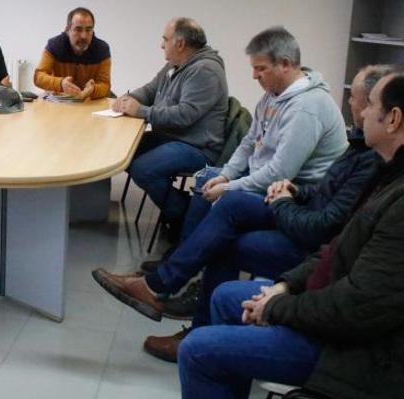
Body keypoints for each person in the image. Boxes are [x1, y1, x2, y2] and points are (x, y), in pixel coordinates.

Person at [178, 63, 404, 399]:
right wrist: (286, 285)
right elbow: (337, 249)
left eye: (370, 103)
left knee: (198, 350)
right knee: (227, 295)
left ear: (394, 119)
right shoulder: (394, 171)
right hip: (335, 314)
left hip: (355, 355)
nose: (360, 111)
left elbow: (357, 308)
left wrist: (275, 307)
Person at [114, 65, 385, 362]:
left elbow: (322, 226)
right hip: (299, 212)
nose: (350, 102)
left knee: (226, 220)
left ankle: (175, 300)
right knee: (228, 208)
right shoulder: (359, 144)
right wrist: (294, 192)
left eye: (362, 100)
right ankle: (173, 296)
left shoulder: (346, 140)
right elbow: (322, 191)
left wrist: (282, 200)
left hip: (312, 244)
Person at [93, 27, 347, 323]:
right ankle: (180, 271)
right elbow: (249, 143)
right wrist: (225, 176)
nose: (254, 76)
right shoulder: (273, 96)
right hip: (269, 185)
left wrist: (230, 187)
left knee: (227, 204)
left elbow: (280, 173)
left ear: (286, 64)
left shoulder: (306, 108)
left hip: (296, 198)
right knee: (208, 181)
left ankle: (163, 282)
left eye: (260, 69)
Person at [113, 17, 228, 236]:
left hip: (197, 146)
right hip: (174, 137)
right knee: (123, 152)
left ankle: (184, 218)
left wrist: (141, 111)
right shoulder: (176, 64)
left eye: (165, 39)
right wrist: (126, 100)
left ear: (180, 44)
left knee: (143, 168)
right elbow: (149, 90)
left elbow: (184, 116)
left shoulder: (205, 71)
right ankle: (177, 207)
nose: (161, 45)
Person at [34, 7, 111, 99]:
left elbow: (105, 85)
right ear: (68, 30)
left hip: (88, 103)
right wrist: (60, 83)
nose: (83, 36)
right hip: (60, 103)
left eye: (88, 30)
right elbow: (38, 77)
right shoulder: (55, 45)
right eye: (78, 29)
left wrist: (93, 90)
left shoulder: (102, 49)